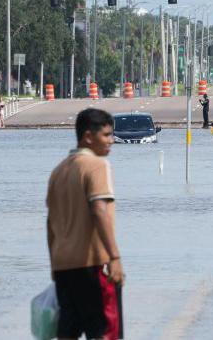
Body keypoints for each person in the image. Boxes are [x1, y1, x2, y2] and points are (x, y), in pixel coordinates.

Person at [47, 108, 124, 340]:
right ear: (88, 137)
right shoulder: (97, 166)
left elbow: (51, 226)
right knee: (105, 332)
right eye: (107, 135)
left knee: (67, 334)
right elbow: (99, 211)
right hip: (94, 266)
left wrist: (54, 265)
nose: (111, 141)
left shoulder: (58, 171)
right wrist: (114, 257)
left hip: (63, 269)